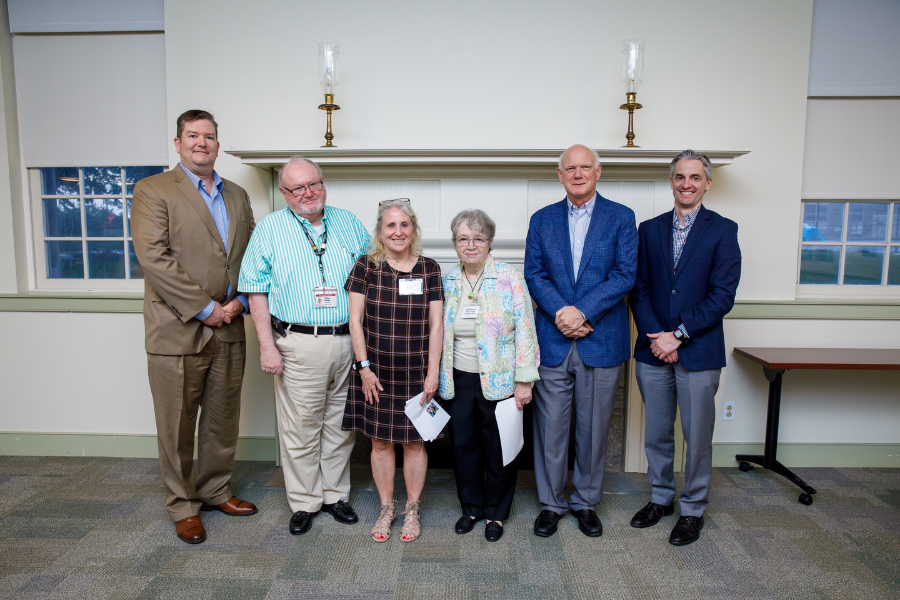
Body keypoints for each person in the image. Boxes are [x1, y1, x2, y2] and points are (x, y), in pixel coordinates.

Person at [131, 109, 257, 544]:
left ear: (217, 144)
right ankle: (183, 506)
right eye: (192, 135)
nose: (201, 143)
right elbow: (154, 258)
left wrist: (241, 302)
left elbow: (250, 256)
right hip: (177, 328)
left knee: (222, 419)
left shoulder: (237, 194)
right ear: (178, 143)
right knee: (177, 427)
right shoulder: (153, 190)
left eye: (209, 136)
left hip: (231, 324)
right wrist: (206, 309)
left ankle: (215, 490)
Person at [238, 156, 370, 535]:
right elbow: (255, 290)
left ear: (323, 183)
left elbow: (372, 276)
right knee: (301, 427)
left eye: (314, 184)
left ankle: (334, 496)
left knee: (341, 426)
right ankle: (305, 501)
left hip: (349, 341)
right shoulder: (270, 229)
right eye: (298, 188)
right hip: (298, 342)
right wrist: (266, 346)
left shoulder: (349, 223)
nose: (308, 193)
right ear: (284, 193)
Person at [524, 144, 637, 538]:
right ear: (560, 175)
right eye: (570, 168)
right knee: (550, 431)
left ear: (597, 171)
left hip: (601, 339)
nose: (577, 174)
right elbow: (534, 274)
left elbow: (624, 275)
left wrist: (582, 312)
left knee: (593, 431)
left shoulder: (622, 218)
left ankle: (586, 502)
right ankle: (551, 504)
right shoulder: (541, 220)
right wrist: (563, 313)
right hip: (553, 340)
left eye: (584, 167)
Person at [629, 150, 741, 546]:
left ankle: (692, 510)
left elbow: (722, 295)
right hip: (653, 350)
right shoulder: (649, 229)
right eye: (680, 177)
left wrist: (677, 335)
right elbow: (639, 289)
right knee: (657, 433)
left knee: (697, 438)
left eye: (695, 177)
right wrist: (658, 336)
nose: (687, 184)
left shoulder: (723, 230)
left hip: (698, 351)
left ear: (707, 183)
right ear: (672, 181)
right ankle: (661, 498)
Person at [342, 199, 444, 543]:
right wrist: (363, 368)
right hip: (377, 374)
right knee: (381, 443)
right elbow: (355, 322)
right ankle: (387, 508)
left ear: (413, 229)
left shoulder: (429, 268)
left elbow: (437, 325)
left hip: (417, 372)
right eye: (390, 225)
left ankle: (412, 509)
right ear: (380, 231)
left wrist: (433, 372)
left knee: (414, 444)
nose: (398, 232)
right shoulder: (365, 266)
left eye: (404, 225)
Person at [438, 209, 540, 542]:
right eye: (463, 238)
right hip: (458, 378)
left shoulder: (509, 277)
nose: (470, 245)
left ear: (489, 242)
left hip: (501, 379)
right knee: (463, 447)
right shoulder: (448, 281)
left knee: (499, 449)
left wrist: (524, 380)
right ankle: (471, 508)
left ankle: (496, 513)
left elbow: (526, 329)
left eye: (478, 238)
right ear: (455, 243)